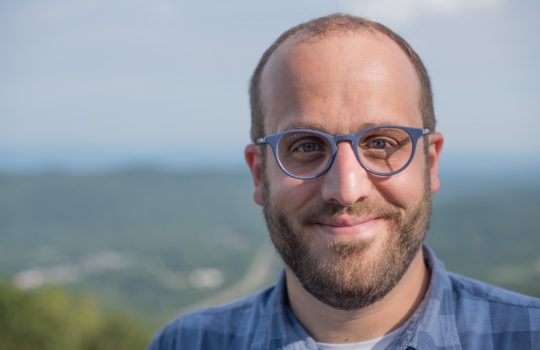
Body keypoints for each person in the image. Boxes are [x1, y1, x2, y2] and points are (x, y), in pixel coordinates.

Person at [148, 14, 540, 349]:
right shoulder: (186, 342)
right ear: (259, 173)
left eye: (381, 143)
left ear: (430, 163)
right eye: (305, 146)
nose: (346, 189)